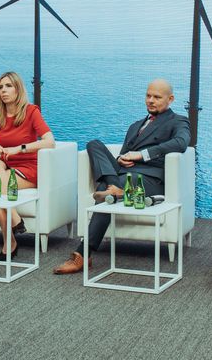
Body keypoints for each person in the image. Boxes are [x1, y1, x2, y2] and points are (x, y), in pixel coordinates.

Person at [53, 79, 190, 274]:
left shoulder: (178, 121)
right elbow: (125, 153)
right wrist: (120, 159)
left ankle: (83, 253)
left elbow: (181, 143)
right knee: (93, 144)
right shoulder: (135, 126)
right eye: (148, 96)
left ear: (170, 99)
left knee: (106, 190)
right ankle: (114, 187)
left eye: (157, 97)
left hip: (148, 179)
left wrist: (141, 155)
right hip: (123, 173)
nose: (151, 100)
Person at [0, 72, 56, 260]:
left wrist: (19, 149)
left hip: (28, 168)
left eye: (8, 86)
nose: (3, 91)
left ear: (18, 89)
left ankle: (9, 242)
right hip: (5, 167)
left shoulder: (31, 111)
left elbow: (49, 141)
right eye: (1, 87)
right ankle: (13, 221)